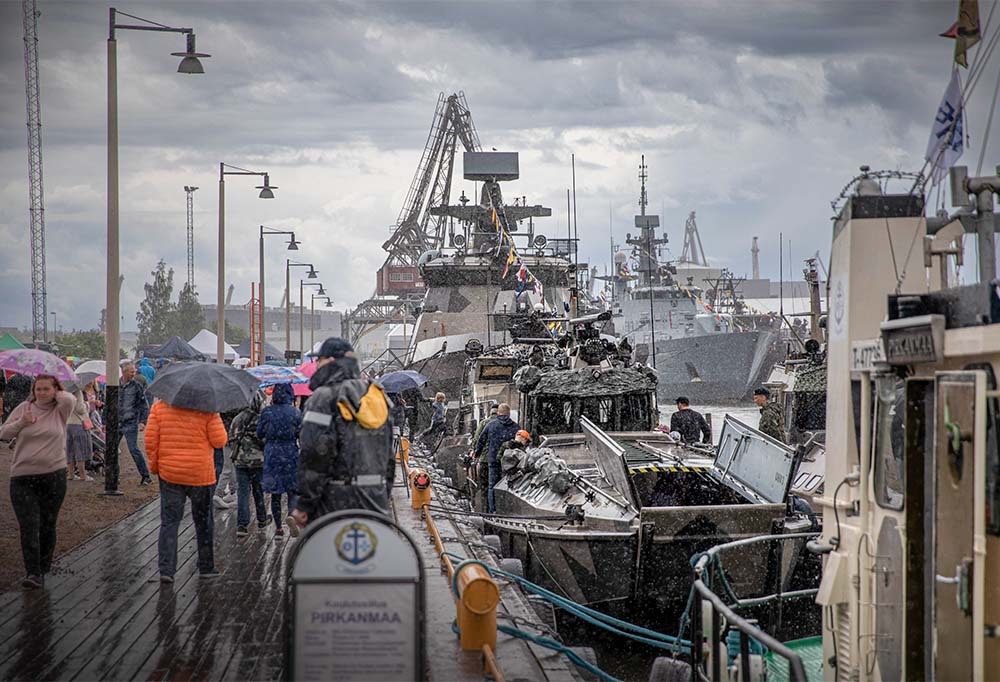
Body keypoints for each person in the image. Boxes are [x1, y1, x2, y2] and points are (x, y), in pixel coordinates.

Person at [291, 338, 394, 530]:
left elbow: (315, 453)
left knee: (326, 557)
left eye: (319, 360)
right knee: (372, 558)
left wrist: (305, 503)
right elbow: (389, 458)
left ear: (330, 361)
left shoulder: (323, 398)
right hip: (374, 502)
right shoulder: (377, 397)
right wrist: (380, 494)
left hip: (334, 505)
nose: (316, 365)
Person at [1, 375, 75, 589]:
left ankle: (44, 565)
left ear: (55, 390)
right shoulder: (24, 408)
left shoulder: (60, 410)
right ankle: (33, 572)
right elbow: (4, 433)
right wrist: (21, 423)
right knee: (29, 525)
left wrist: (55, 386)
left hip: (54, 476)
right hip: (23, 477)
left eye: (46, 389)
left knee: (47, 524)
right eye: (37, 389)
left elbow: (69, 399)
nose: (41, 393)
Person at [145, 399, 228, 582]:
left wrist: (155, 467)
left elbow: (151, 441)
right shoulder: (208, 407)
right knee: (203, 521)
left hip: (170, 473)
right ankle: (206, 566)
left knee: (170, 521)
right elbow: (219, 441)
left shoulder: (159, 408)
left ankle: (167, 569)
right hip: (200, 474)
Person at [256, 382, 302, 538]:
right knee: (292, 490)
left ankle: (278, 529)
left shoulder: (267, 412)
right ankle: (291, 514)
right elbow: (300, 435)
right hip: (290, 452)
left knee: (275, 493)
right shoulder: (295, 413)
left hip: (272, 453)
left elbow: (259, 433)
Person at [228, 392, 268, 536]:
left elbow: (231, 438)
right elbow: (265, 440)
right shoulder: (261, 420)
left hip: (240, 461)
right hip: (258, 461)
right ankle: (262, 519)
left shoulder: (237, 419)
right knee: (258, 491)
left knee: (243, 492)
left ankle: (242, 524)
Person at [474, 402, 519, 513]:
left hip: (493, 459)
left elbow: (480, 440)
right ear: (508, 414)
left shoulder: (491, 425)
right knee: (508, 486)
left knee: (492, 486)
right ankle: (506, 510)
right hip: (510, 461)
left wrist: (477, 453)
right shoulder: (515, 427)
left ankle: (493, 510)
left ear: (499, 413)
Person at [119, 363, 152, 485]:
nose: (134, 374)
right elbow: (109, 404)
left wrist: (143, 421)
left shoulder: (137, 386)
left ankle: (145, 476)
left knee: (134, 449)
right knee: (111, 450)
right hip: (116, 421)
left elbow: (144, 405)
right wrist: (105, 421)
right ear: (124, 372)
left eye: (134, 371)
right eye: (131, 372)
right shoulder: (114, 385)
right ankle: (113, 475)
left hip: (130, 421)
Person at [66, 389, 94, 481]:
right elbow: (80, 409)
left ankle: (71, 474)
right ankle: (83, 475)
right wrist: (87, 404)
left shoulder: (63, 391)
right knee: (80, 449)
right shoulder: (77, 391)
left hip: (67, 423)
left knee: (69, 450)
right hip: (78, 423)